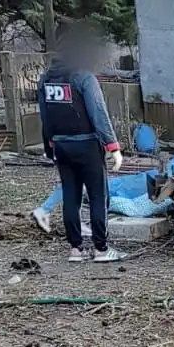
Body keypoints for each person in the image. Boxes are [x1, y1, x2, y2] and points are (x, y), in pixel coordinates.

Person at [38, 23, 126, 263]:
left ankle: (75, 250)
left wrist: (50, 147)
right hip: (87, 146)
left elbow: (44, 116)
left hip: (61, 147)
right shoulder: (83, 78)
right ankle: (101, 249)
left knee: (71, 197)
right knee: (99, 197)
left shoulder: (45, 79)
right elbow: (98, 112)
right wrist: (113, 146)